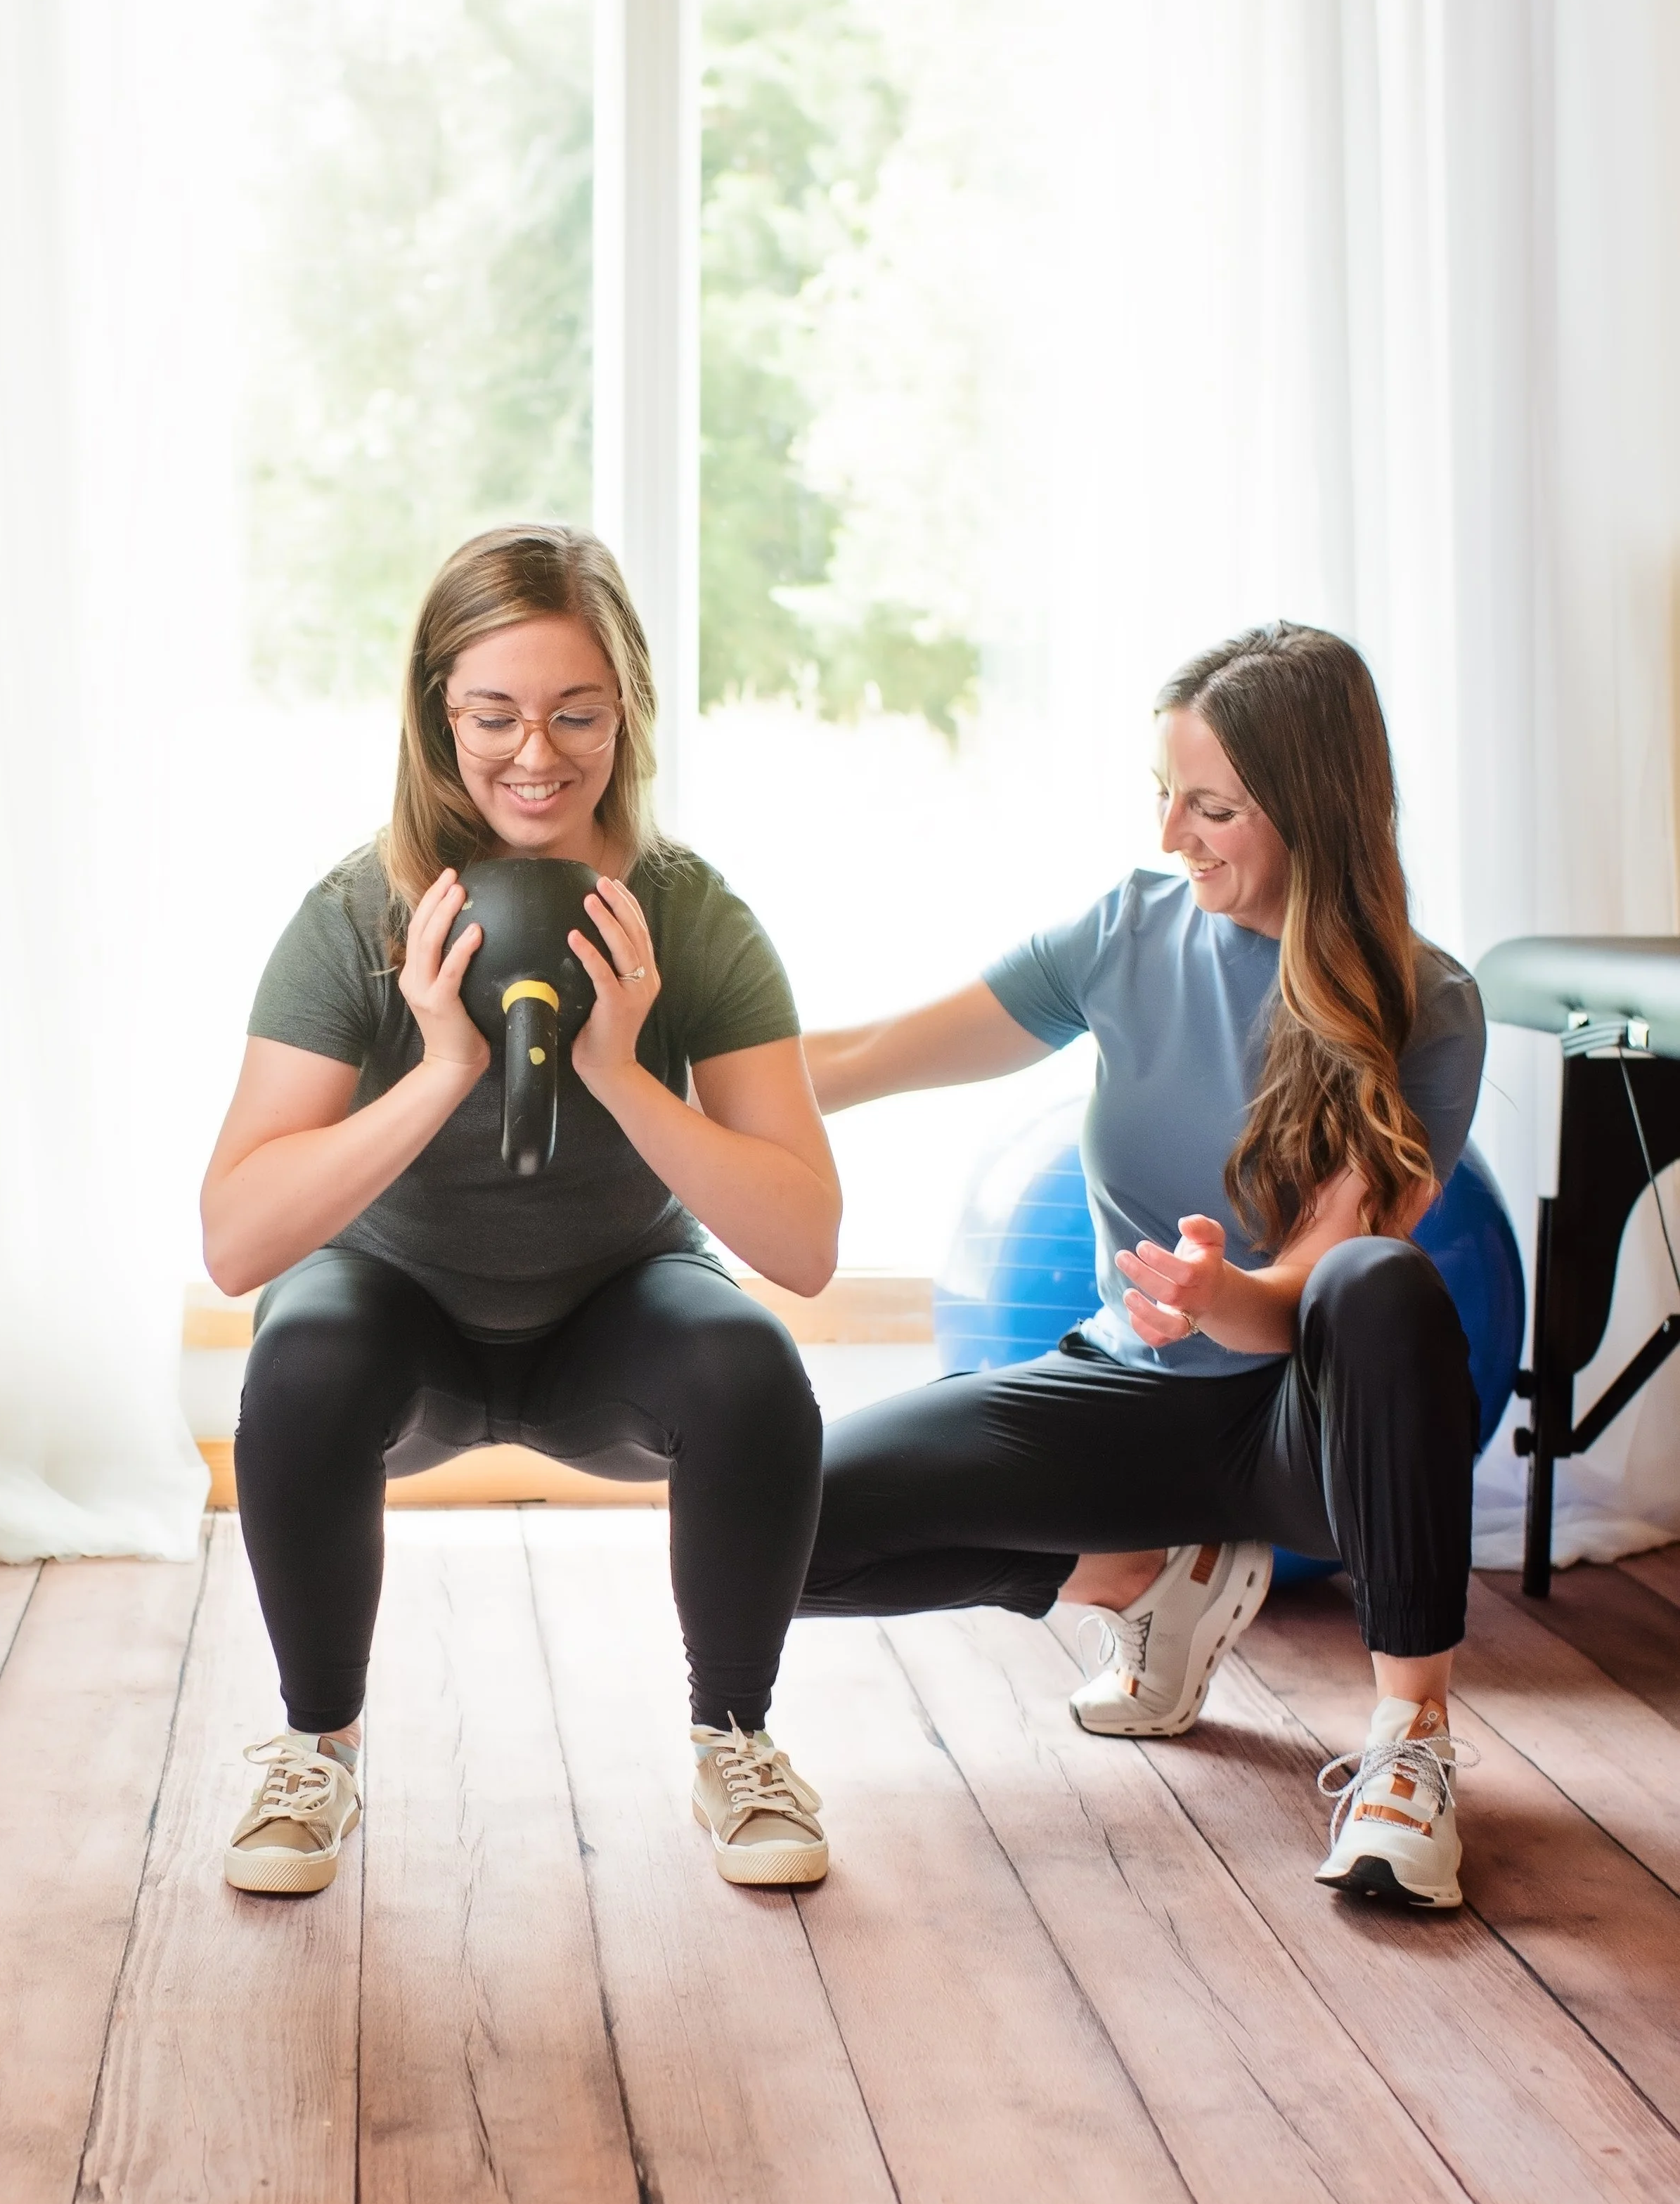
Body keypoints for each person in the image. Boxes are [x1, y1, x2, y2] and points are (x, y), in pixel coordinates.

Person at [801, 623, 1487, 1910]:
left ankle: (1411, 1745)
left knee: (1383, 1291)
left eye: (1214, 808)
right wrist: (659, 1073)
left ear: (1315, 810)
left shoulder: (1423, 1002)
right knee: (772, 1530)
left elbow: (1312, 1294)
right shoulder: (1124, 934)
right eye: (1165, 797)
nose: (1176, 834)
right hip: (1138, 1397)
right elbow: (869, 1053)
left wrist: (1218, 1294)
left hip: (1311, 1439)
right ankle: (1135, 1578)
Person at [203, 524, 840, 1895]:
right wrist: (441, 1067)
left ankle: (734, 1737)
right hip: (400, 1316)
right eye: (493, 713)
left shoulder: (693, 918)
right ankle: (316, 1744)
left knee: (749, 1362)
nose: (534, 754)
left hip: (613, 1321)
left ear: (629, 714)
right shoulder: (351, 913)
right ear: (438, 712)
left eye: (576, 714)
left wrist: (618, 1072)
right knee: (299, 1346)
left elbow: (801, 1244)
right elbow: (240, 1236)